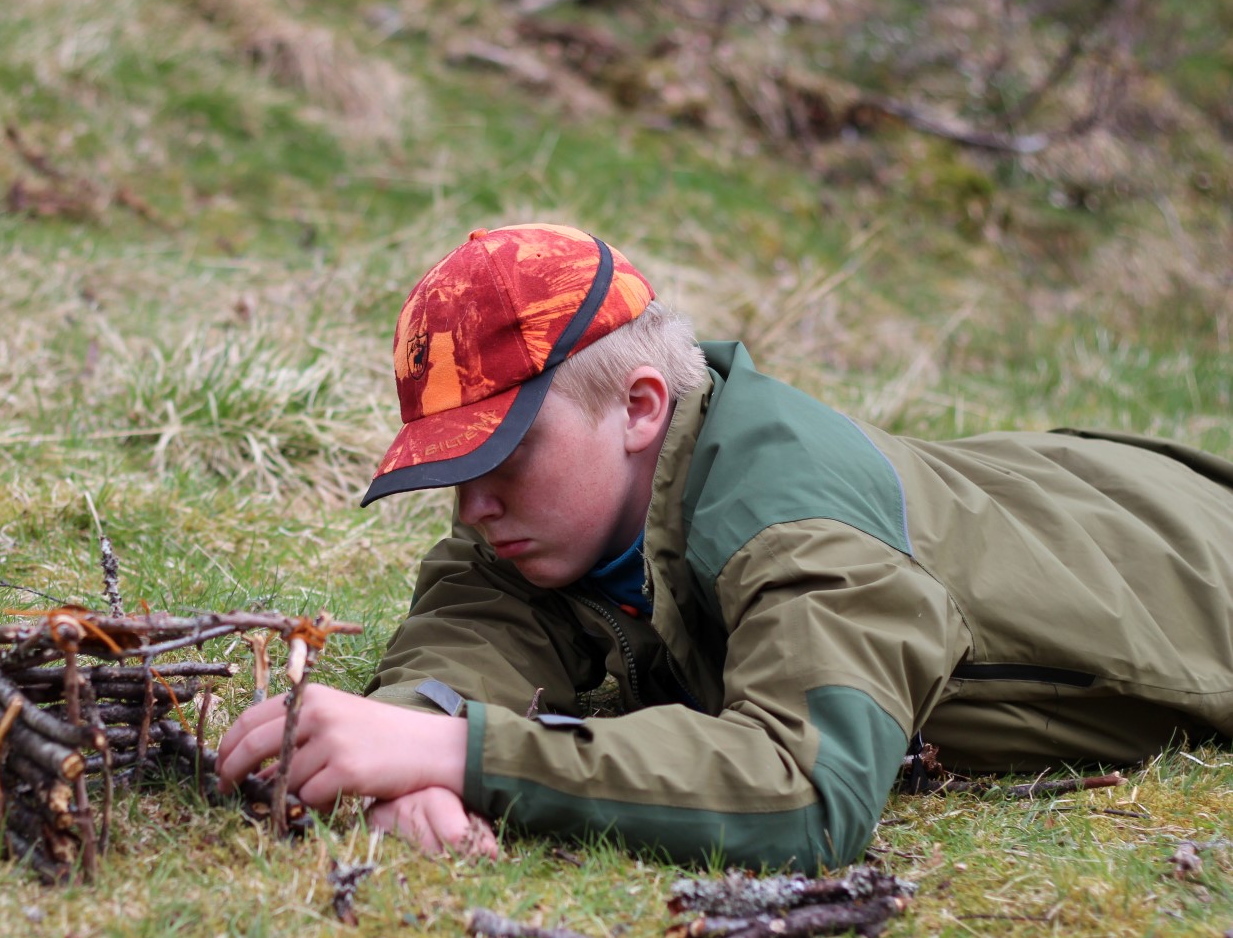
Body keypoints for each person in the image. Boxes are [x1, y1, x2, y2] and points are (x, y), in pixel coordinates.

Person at [216, 222, 1233, 869]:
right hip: (1045, 485)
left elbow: (808, 787)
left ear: (640, 408)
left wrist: (464, 752)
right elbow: (466, 636)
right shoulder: (550, 522)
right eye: (451, 464)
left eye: (506, 453)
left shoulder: (787, 520)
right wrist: (401, 744)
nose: (471, 502)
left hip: (1189, 554)